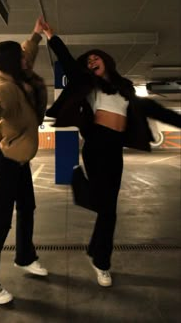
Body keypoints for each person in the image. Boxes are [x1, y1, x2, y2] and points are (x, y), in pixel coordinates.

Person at [40, 20, 181, 288]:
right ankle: (102, 261)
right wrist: (50, 35)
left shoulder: (125, 88)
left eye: (97, 58)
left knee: (109, 210)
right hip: (96, 144)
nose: (92, 61)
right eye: (89, 60)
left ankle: (97, 253)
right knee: (105, 207)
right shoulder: (87, 84)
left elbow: (151, 109)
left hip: (115, 147)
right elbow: (69, 61)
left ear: (106, 61)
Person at [0, 18, 48, 305]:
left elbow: (27, 53)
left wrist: (36, 35)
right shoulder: (5, 84)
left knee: (27, 206)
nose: (25, 60)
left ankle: (25, 257)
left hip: (19, 157)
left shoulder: (17, 73)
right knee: (0, 219)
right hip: (6, 157)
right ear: (12, 63)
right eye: (20, 58)